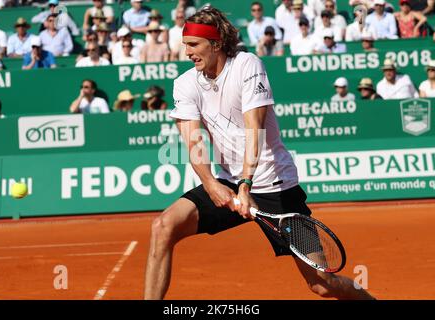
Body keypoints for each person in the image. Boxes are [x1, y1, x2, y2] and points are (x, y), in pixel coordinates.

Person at [144, 6, 376, 301]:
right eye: (185, 44)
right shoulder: (185, 83)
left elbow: (256, 128)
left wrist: (246, 184)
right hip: (228, 182)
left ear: (215, 44)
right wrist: (213, 184)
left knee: (321, 283)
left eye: (194, 45)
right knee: (163, 226)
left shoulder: (247, 65)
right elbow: (193, 142)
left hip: (277, 188)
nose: (187, 52)